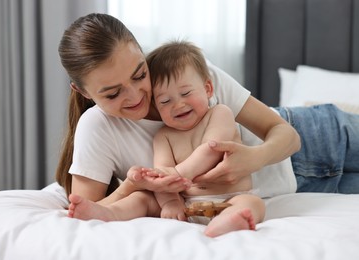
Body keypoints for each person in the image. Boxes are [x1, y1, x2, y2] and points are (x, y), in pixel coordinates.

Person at [56, 13, 359, 225]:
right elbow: (89, 211)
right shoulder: (97, 128)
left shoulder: (185, 73)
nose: (136, 95)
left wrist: (253, 158)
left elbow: (287, 134)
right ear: (81, 91)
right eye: (112, 93)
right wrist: (132, 187)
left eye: (139, 74)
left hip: (320, 135)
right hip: (306, 189)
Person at [68, 41, 266, 237]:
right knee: (142, 198)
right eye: (165, 101)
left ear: (208, 89)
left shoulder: (220, 113)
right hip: (187, 205)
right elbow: (161, 175)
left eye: (186, 93)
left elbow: (212, 149)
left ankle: (229, 220)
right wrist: (168, 199)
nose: (178, 105)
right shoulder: (163, 136)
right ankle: (111, 213)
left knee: (252, 204)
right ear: (155, 105)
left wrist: (177, 174)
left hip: (231, 197)